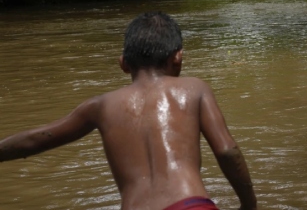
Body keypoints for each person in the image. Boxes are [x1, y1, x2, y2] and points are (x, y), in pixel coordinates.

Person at [0, 12, 257, 210]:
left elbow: (36, 138)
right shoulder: (194, 89)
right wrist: (248, 205)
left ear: (123, 63)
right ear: (178, 57)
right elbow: (227, 150)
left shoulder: (99, 106)